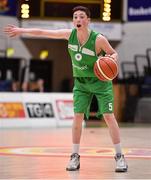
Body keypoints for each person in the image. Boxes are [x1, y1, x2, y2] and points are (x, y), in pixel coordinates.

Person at [4, 6, 128, 172]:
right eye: (75, 16)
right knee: (77, 117)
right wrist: (21, 30)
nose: (78, 19)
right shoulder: (69, 35)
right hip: (81, 83)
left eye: (81, 16)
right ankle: (75, 156)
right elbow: (43, 32)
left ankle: (120, 156)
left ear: (88, 21)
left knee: (108, 116)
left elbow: (114, 54)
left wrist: (110, 58)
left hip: (100, 82)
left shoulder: (99, 39)